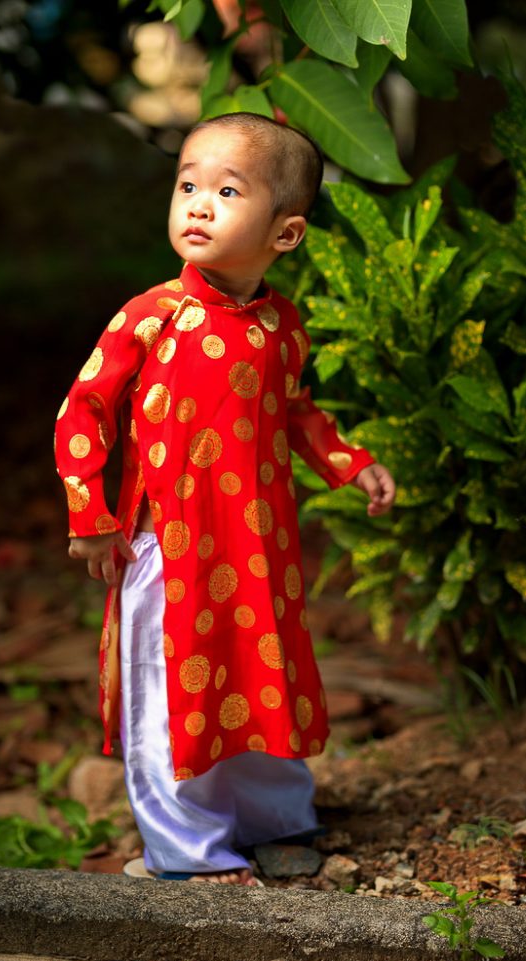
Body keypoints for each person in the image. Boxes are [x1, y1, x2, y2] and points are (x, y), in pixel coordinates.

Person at [54, 112, 395, 886]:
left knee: (259, 677)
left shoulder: (281, 324)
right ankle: (189, 847)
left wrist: (352, 464)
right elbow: (83, 411)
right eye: (188, 186)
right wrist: (90, 514)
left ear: (286, 233)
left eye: (228, 191)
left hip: (257, 549)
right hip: (168, 548)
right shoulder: (151, 316)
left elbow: (297, 411)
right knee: (171, 690)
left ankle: (276, 817)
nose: (199, 205)